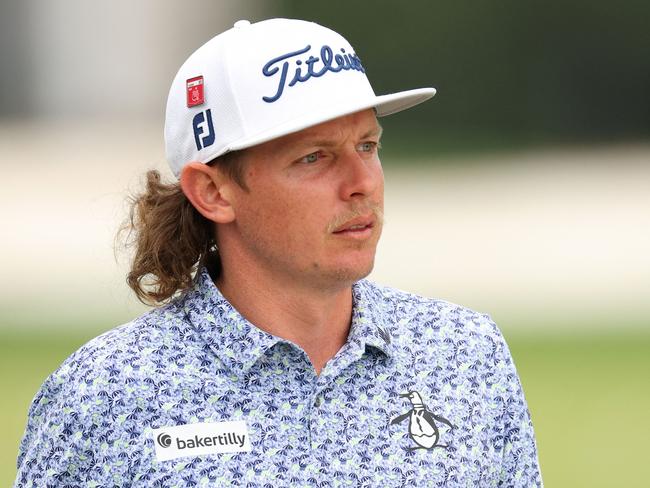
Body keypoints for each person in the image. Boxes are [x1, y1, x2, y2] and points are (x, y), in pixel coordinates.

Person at [15, 18, 542, 487]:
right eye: (315, 157)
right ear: (213, 192)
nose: (363, 183)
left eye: (368, 146)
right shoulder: (105, 392)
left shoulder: (464, 354)